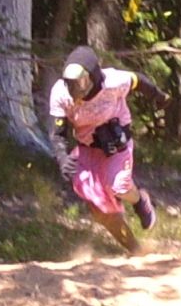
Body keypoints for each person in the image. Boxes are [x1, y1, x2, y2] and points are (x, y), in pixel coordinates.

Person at [48, 45, 170, 254]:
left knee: (118, 186)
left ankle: (140, 201)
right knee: (98, 204)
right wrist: (62, 158)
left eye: (82, 82)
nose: (77, 88)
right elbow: (57, 133)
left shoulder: (113, 81)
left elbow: (138, 80)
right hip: (87, 148)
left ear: (94, 76)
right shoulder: (60, 94)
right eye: (72, 83)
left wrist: (159, 96)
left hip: (116, 143)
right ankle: (135, 249)